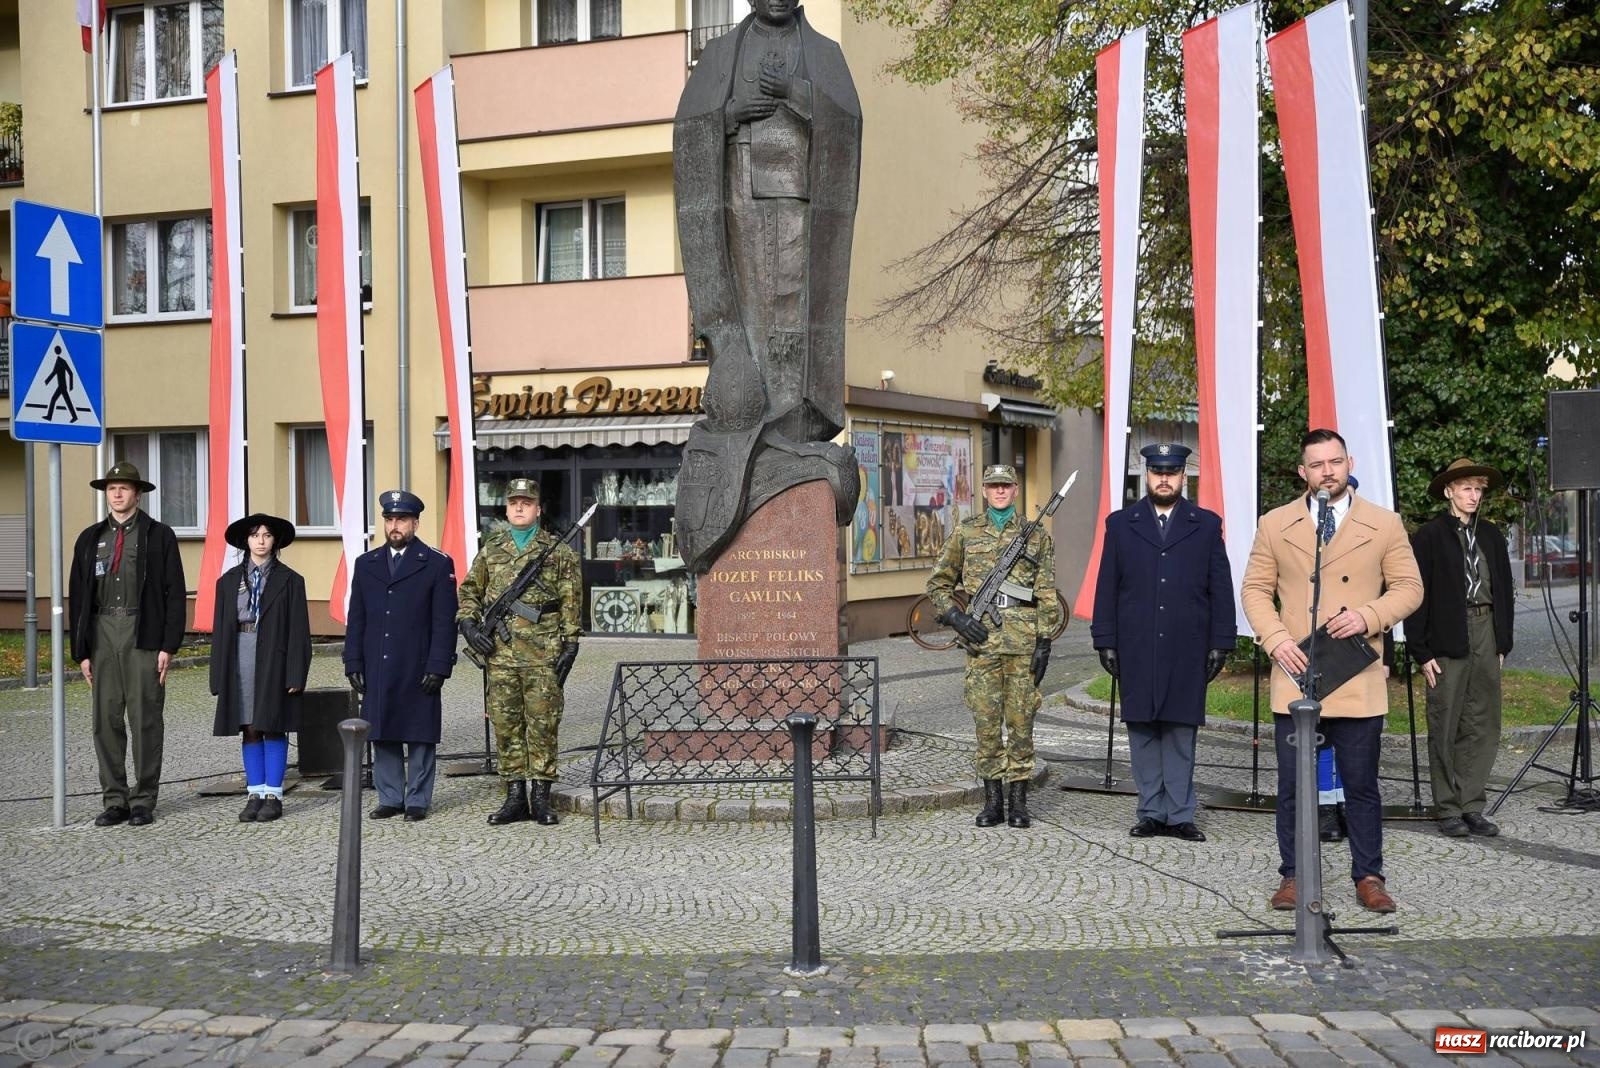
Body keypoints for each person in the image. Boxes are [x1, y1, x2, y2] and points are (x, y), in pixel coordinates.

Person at [672, 0, 863, 571]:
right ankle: (763, 444)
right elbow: (688, 134)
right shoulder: (721, 55)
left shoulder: (825, 56)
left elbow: (847, 127)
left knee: (794, 341)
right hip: (740, 216)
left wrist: (799, 96)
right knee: (755, 339)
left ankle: (792, 440)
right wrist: (729, 115)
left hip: (804, 220)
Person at [1241, 429, 1422, 914]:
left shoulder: (1385, 524)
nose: (1328, 471)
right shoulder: (1275, 524)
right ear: (1303, 472)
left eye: (1335, 462)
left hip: (1356, 673)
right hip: (1296, 669)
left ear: (1349, 462)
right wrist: (1276, 639)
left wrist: (1368, 616)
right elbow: (1256, 589)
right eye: (1317, 464)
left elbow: (1409, 587)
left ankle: (1369, 875)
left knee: (1361, 783)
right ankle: (1293, 876)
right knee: (1292, 785)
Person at [1091, 443, 1235, 842]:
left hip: (1186, 643)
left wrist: (1220, 642)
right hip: (1136, 642)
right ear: (1146, 475)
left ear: (1183, 477)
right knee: (1141, 728)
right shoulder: (1121, 524)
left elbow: (1220, 588)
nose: (1165, 479)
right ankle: (1151, 811)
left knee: (1180, 728)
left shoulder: (1205, 524)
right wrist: (1105, 639)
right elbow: (1107, 587)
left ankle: (1181, 814)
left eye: (1172, 472)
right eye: (1158, 472)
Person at [926, 464, 1062, 829]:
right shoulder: (966, 532)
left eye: (1006, 486)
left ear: (1016, 490)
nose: (1000, 492)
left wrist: (1044, 640)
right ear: (984, 491)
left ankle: (1018, 801)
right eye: (993, 486)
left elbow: (1047, 592)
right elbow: (937, 585)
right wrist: (956, 618)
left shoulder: (1036, 536)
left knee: (1021, 722)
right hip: (981, 643)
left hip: (1022, 642)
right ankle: (992, 802)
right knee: (986, 724)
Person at [457, 479, 582, 827]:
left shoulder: (558, 551)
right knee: (506, 724)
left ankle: (541, 796)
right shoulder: (492, 549)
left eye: (527, 502)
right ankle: (515, 796)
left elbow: (572, 599)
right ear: (507, 508)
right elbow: (469, 590)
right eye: (514, 502)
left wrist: (571, 643)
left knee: (543, 724)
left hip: (543, 653)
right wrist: (468, 624)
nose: (519, 507)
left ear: (538, 509)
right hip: (500, 654)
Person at [68, 462, 186, 827]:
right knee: (105, 720)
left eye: (124, 488)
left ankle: (143, 799)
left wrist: (168, 644)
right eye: (111, 488)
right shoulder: (90, 539)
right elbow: (77, 596)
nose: (117, 494)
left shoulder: (158, 535)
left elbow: (175, 593)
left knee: (145, 717)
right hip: (103, 630)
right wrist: (82, 650)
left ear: (138, 493)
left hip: (142, 630)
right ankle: (114, 799)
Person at [1407, 458, 1515, 838]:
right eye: (1466, 488)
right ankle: (1447, 806)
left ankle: (1472, 803)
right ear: (1450, 491)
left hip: (1486, 629)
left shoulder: (1490, 534)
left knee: (1483, 720)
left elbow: (1503, 587)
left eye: (1479, 489)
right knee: (1445, 720)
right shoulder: (1429, 536)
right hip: (1447, 634)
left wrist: (1503, 640)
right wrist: (1420, 651)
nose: (1473, 496)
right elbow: (1416, 595)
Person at [344, 490, 459, 822]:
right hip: (378, 661)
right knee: (383, 729)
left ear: (415, 523)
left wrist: (439, 665)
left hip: (418, 663)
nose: (395, 526)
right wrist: (353, 661)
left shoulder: (437, 563)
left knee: (419, 732)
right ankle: (390, 796)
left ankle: (417, 799)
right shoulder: (366, 564)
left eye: (402, 520)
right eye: (390, 520)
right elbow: (358, 617)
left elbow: (444, 621)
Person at [209, 514, 311, 822]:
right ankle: (254, 792)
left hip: (275, 655)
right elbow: (219, 630)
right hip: (240, 652)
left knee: (272, 723)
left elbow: (299, 631)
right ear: (246, 541)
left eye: (267, 535)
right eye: (255, 535)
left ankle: (274, 795)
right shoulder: (227, 582)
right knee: (250, 725)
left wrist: (296, 673)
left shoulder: (291, 580)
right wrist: (217, 676)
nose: (261, 541)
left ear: (275, 541)